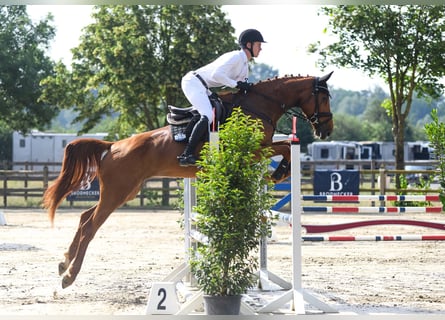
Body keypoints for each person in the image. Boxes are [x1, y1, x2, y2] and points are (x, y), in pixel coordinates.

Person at [177, 29, 266, 167]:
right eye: (258, 44)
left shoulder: (244, 65)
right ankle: (187, 154)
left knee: (221, 111)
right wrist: (236, 84)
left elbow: (243, 88)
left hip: (204, 87)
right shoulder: (236, 57)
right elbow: (216, 75)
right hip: (193, 82)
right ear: (249, 44)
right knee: (208, 115)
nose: (261, 48)